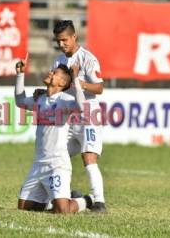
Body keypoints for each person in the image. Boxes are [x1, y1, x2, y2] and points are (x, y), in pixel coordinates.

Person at [15, 58, 92, 213]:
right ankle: (52, 202)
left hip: (57, 164)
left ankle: (86, 200)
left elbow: (82, 108)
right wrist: (20, 75)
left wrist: (75, 79)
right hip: (38, 164)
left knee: (63, 211)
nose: (50, 72)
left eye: (55, 73)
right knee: (23, 207)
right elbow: (20, 101)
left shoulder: (65, 100)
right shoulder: (40, 98)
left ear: (62, 83)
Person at [52, 20, 106, 212]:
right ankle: (65, 195)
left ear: (74, 36)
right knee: (58, 155)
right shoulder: (58, 61)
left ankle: (99, 201)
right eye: (58, 41)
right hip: (68, 115)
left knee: (88, 156)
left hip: (88, 114)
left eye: (65, 40)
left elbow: (99, 88)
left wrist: (79, 83)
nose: (62, 44)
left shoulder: (88, 59)